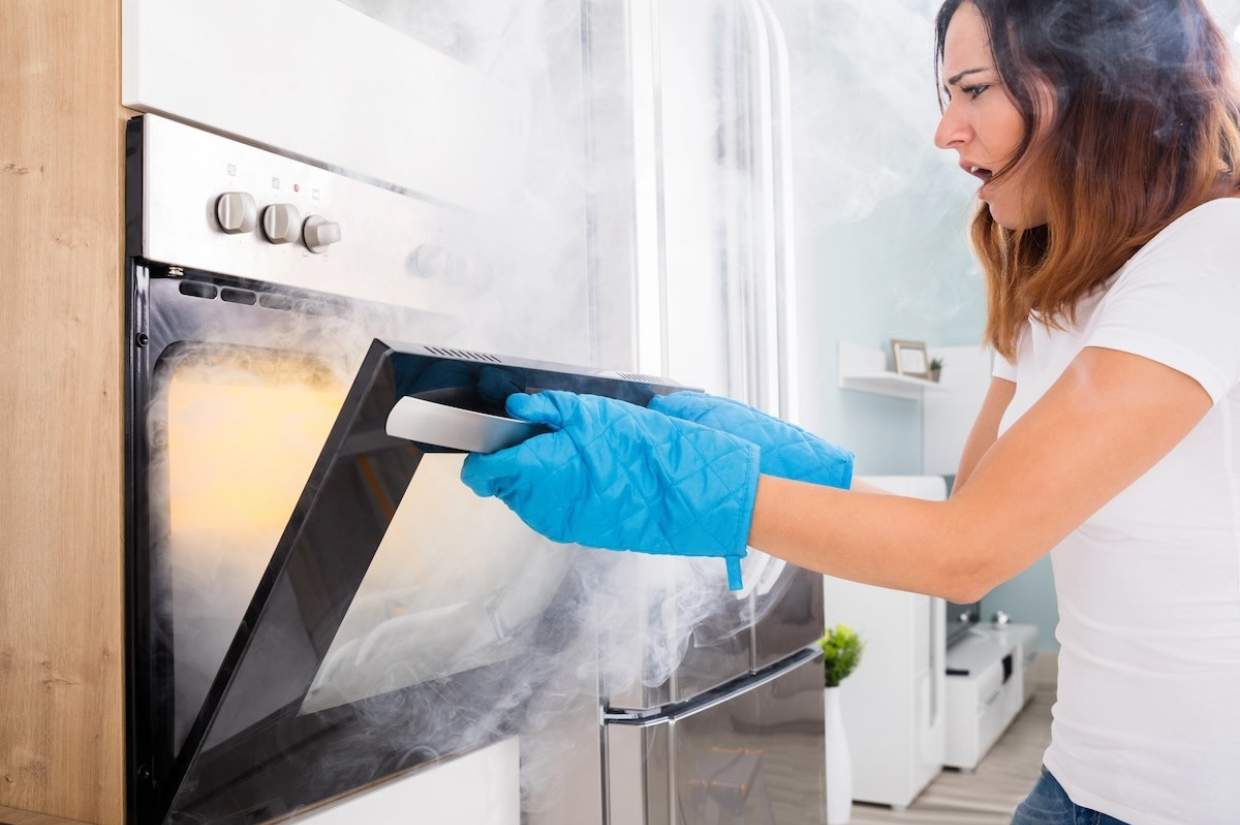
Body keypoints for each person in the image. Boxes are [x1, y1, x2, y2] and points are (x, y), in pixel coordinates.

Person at [460, 1, 1240, 822]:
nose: (947, 130)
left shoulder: (1214, 254)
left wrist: (700, 489)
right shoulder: (1052, 283)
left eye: (974, 90)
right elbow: (970, 514)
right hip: (1076, 787)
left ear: (1097, 87)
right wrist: (780, 467)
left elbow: (968, 555)